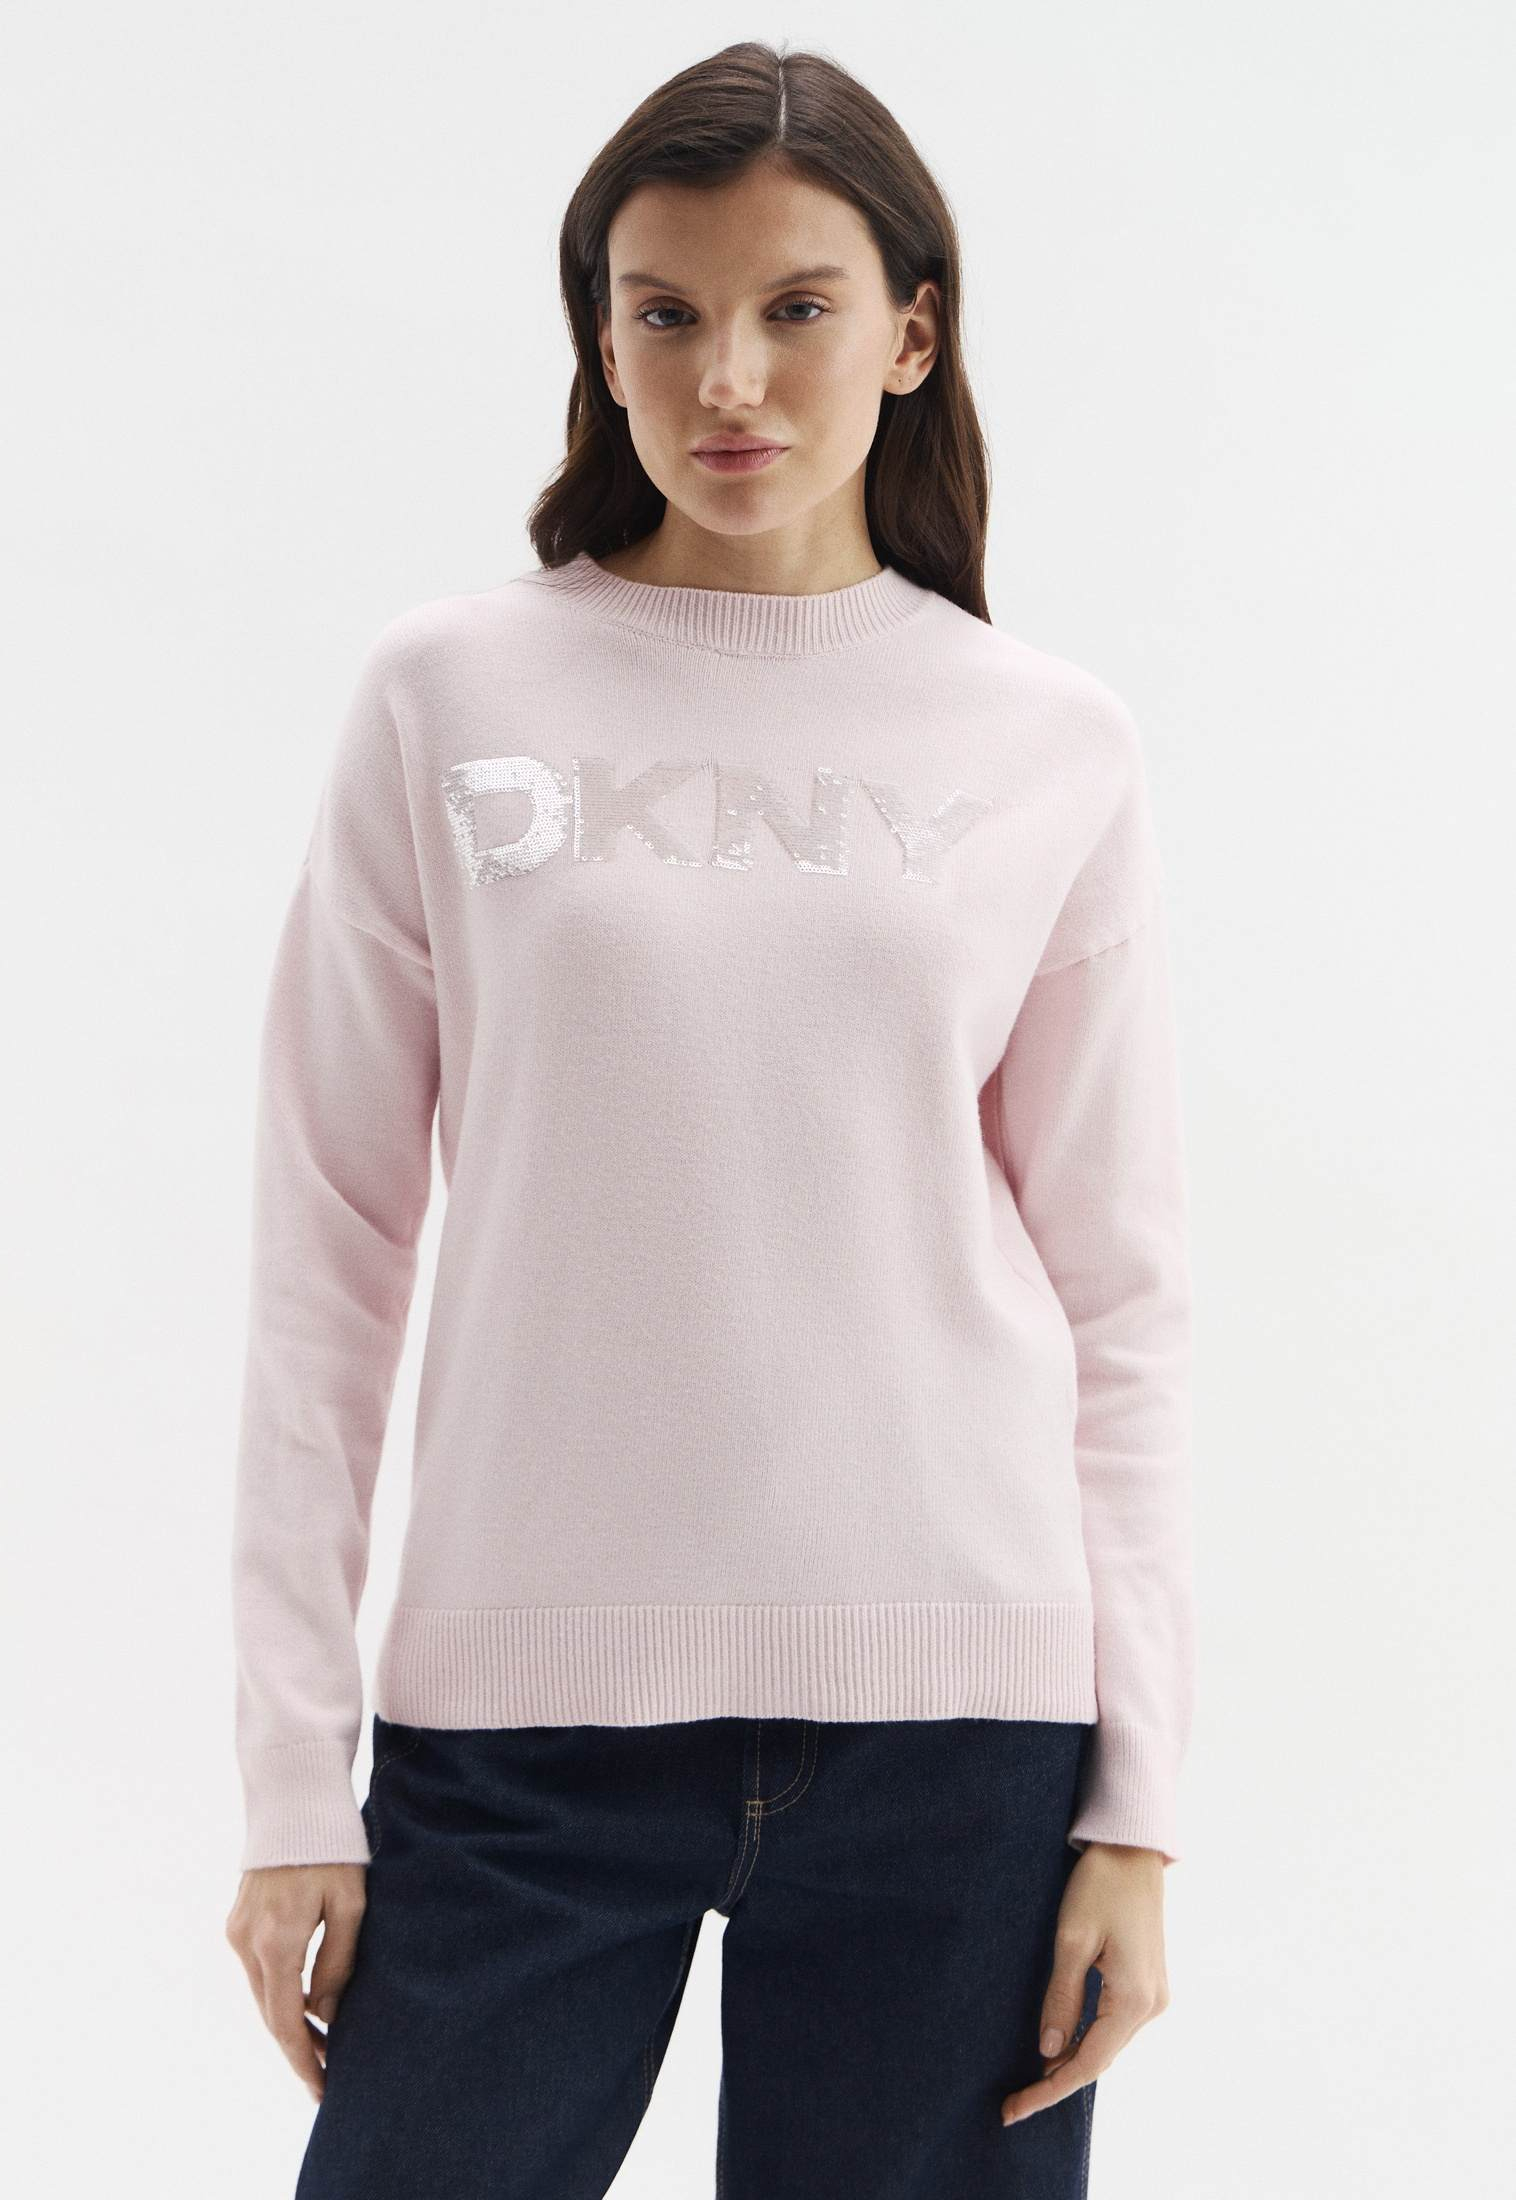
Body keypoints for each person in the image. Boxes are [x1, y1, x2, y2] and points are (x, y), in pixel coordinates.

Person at [224, 38, 1194, 2200]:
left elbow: (1122, 1297)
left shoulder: (1047, 740)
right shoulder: (449, 695)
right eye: (663, 311)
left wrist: (1137, 1807)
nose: (727, 376)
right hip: (517, 1734)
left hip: (962, 1731)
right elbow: (326, 1262)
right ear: (601, 338)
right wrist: (295, 1780)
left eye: (797, 307)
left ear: (914, 332)